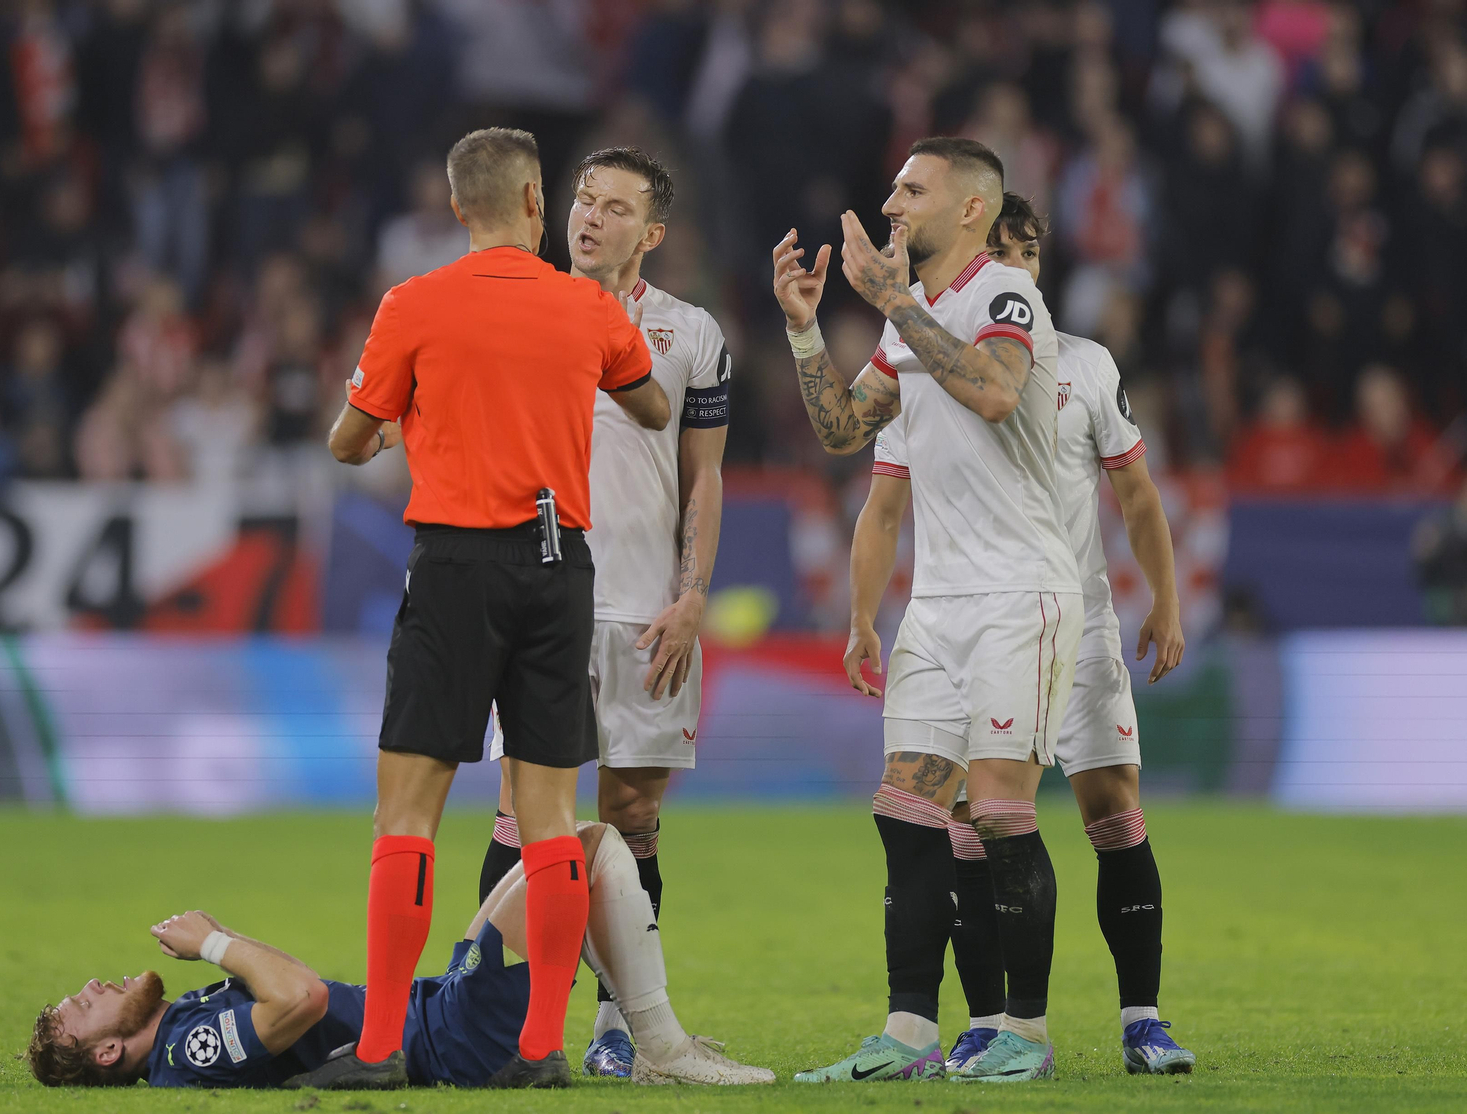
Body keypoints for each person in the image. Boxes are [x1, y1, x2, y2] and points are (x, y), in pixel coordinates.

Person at [320, 127, 671, 1090]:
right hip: (560, 568)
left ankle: (384, 1047)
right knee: (551, 817)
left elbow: (348, 442)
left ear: (456, 208)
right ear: (532, 204)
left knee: (409, 812)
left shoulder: (414, 305)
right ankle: (538, 1049)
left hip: (453, 567)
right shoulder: (585, 306)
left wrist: (414, 420)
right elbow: (649, 407)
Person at [858, 192, 1197, 1076]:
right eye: (1009, 246)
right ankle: (991, 1022)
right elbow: (883, 497)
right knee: (973, 820)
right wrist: (862, 615)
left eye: (1033, 248)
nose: (1022, 262)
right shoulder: (932, 354)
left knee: (1113, 807)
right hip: (980, 614)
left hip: (1068, 622)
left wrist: (1164, 599)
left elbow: (1136, 494)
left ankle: (1141, 1019)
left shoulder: (1084, 365)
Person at [773, 137, 1077, 1084]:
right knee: (906, 810)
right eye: (894, 186)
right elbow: (840, 430)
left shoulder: (1005, 296)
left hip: (1020, 590)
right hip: (937, 599)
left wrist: (898, 301)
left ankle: (1024, 1030)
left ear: (975, 209)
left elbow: (992, 390)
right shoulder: (909, 322)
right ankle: (909, 1036)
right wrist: (804, 329)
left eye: (914, 188)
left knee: (996, 811)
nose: (894, 202)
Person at [476, 146, 732, 1080]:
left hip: (646, 611)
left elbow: (704, 477)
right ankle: (501, 1021)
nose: (589, 217)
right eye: (582, 200)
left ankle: (621, 1026)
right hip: (540, 600)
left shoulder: (693, 334)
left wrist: (693, 593)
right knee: (525, 814)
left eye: (615, 208)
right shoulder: (519, 304)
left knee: (631, 817)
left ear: (652, 233)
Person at [24, 824, 774, 1090]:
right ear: (107, 1053)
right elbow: (303, 999)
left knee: (568, 853)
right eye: (82, 1008)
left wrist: (221, 944)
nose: (90, 986)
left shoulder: (180, 1025)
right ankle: (661, 1043)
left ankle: (643, 1036)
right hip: (449, 1037)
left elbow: (292, 990)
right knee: (584, 850)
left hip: (434, 1009)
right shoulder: (186, 1052)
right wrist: (215, 943)